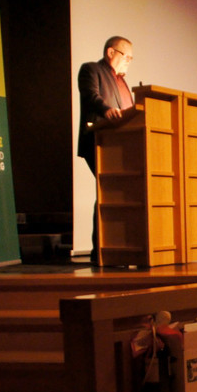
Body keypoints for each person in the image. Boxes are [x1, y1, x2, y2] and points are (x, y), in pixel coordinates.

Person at [78, 36, 137, 262]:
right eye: (126, 56)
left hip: (122, 143)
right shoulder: (91, 70)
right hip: (99, 140)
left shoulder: (122, 82)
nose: (129, 61)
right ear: (111, 52)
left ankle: (121, 248)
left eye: (131, 58)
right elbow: (91, 96)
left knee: (119, 193)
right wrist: (106, 110)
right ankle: (102, 251)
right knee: (109, 190)